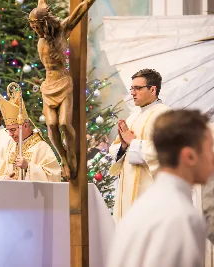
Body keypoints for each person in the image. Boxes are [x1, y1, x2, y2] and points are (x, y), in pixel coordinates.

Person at [108, 110, 213, 267]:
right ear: (189, 156)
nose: (213, 156)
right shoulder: (183, 218)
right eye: (210, 149)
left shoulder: (143, 205)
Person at [28, 0, 95, 179]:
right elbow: (41, 4)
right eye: (33, 27)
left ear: (45, 23)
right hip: (48, 84)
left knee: (64, 123)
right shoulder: (41, 36)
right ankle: (63, 157)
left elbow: (78, 12)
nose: (36, 31)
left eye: (38, 27)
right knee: (51, 124)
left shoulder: (62, 31)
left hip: (63, 82)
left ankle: (71, 154)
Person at [108, 69, 171, 222]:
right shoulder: (132, 117)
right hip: (127, 192)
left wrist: (133, 143)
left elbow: (167, 151)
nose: (133, 93)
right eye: (132, 88)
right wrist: (123, 146)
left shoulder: (165, 115)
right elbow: (114, 149)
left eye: (137, 88)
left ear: (153, 89)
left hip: (150, 192)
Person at [0, 94, 61, 181]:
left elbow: (53, 176)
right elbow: (1, 173)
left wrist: (28, 167)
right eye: (8, 130)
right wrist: (5, 178)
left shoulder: (41, 147)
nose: (10, 134)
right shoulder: (12, 147)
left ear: (26, 126)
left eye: (12, 130)